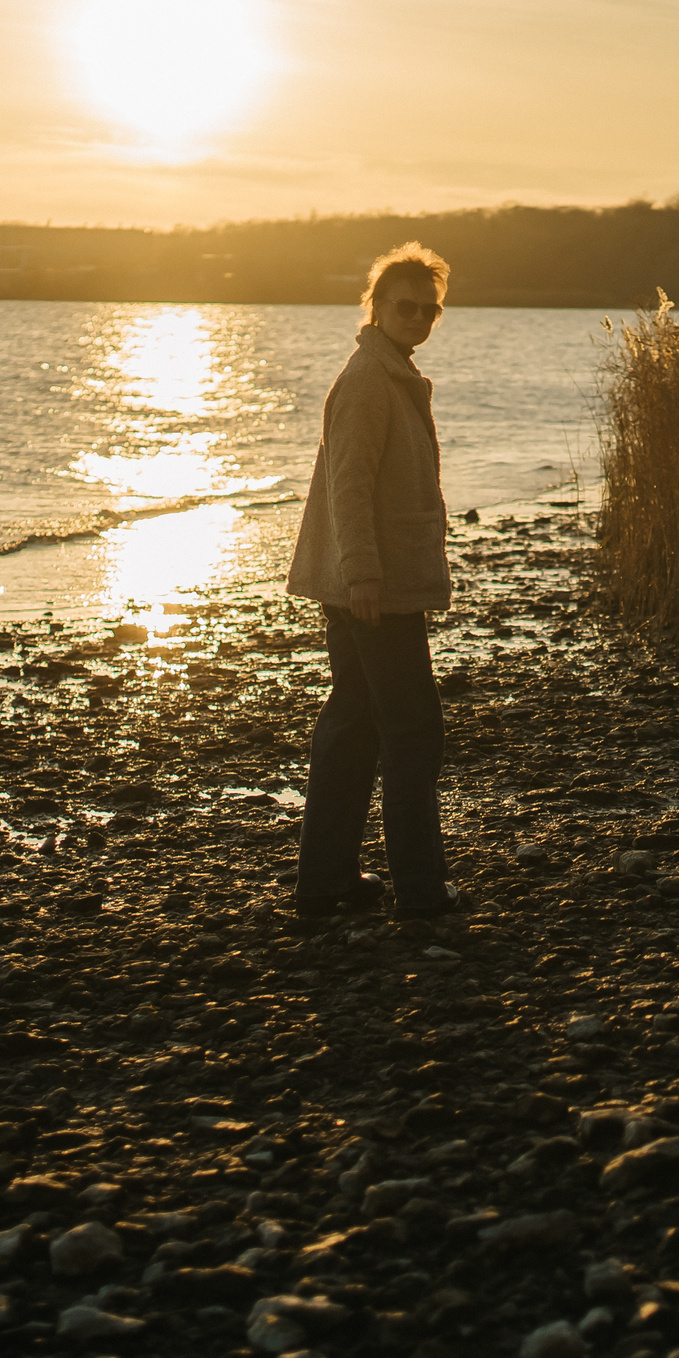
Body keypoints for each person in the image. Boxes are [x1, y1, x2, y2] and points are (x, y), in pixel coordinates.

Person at [286, 244, 461, 920]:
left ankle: (324, 882)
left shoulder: (391, 373)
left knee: (355, 726)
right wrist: (362, 575)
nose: (418, 316)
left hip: (370, 584)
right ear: (377, 308)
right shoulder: (368, 379)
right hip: (372, 589)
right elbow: (347, 485)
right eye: (405, 305)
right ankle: (420, 891)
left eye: (429, 308)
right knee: (413, 730)